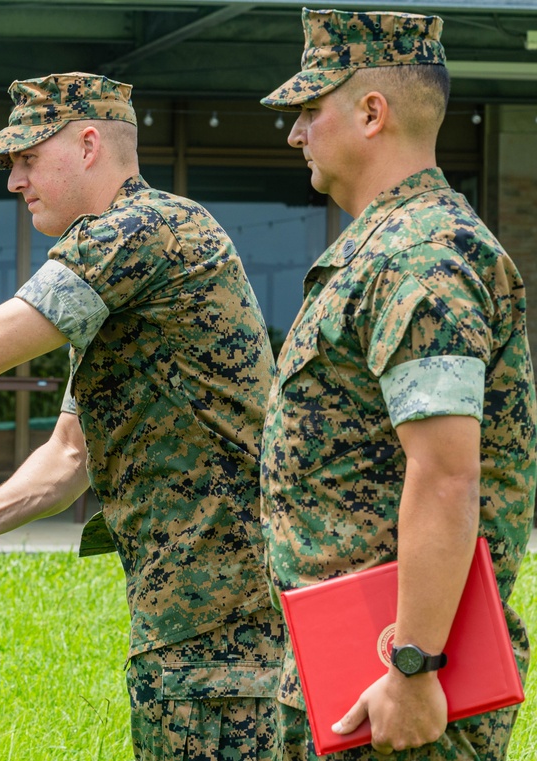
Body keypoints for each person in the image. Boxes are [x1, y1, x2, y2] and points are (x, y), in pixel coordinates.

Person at [0, 73, 282, 760]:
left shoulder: (140, 232)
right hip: (190, 610)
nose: (14, 182)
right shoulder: (122, 275)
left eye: (27, 159)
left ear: (89, 144)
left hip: (229, 621)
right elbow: (70, 454)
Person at [259, 8, 536, 759]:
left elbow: (447, 474)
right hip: (355, 664)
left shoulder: (421, 257)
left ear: (372, 112)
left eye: (310, 110)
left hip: (403, 687)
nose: (296, 132)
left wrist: (413, 665)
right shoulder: (384, 247)